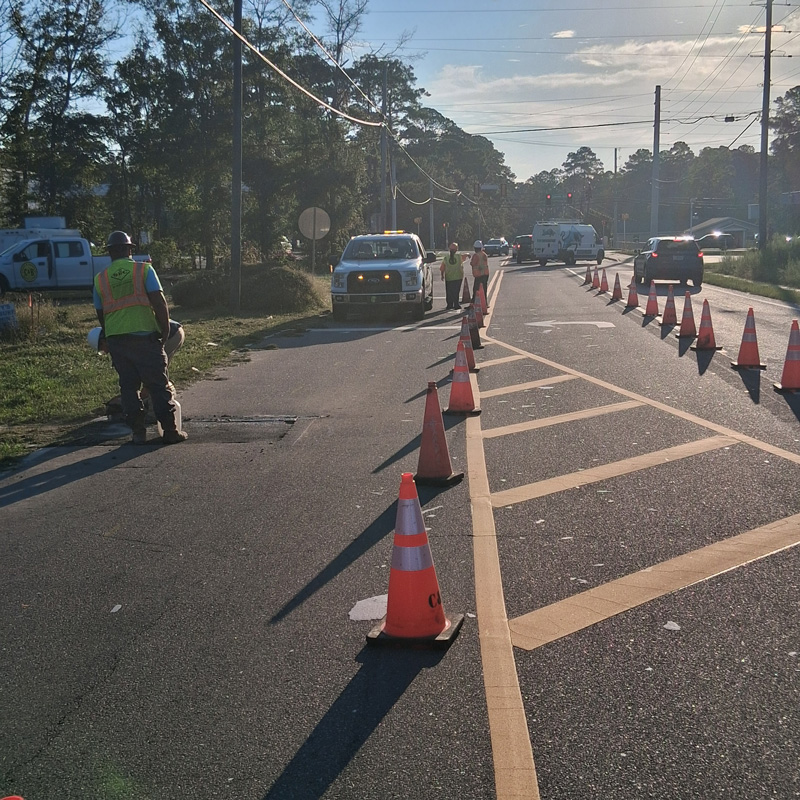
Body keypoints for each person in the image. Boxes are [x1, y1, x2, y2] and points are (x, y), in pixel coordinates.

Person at [93, 230, 187, 445]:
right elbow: (159, 301)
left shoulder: (100, 279)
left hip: (118, 341)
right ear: (129, 250)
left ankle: (137, 433)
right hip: (145, 337)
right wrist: (163, 330)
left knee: (128, 387)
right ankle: (170, 432)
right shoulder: (143, 270)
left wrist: (111, 337)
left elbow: (101, 314)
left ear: (110, 253)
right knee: (157, 385)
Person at [440, 242, 468, 310]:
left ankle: (449, 305)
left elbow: (442, 267)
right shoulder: (458, 257)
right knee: (456, 291)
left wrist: (442, 275)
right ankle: (456, 304)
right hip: (458, 277)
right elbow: (464, 257)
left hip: (449, 277)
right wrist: (467, 254)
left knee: (449, 291)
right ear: (456, 250)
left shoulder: (446, 258)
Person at [470, 240, 490, 307]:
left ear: (475, 248)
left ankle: (473, 304)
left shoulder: (476, 255)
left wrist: (471, 262)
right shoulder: (484, 254)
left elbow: (473, 263)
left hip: (479, 275)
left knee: (476, 289)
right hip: (485, 274)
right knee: (484, 289)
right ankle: (485, 303)